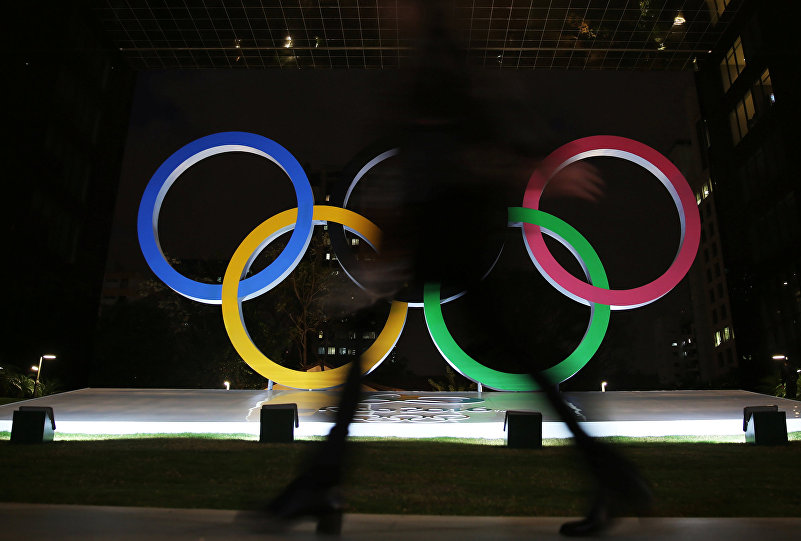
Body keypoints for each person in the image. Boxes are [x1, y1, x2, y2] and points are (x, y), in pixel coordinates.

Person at [266, 2, 651, 536]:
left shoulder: (442, 64)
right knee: (493, 348)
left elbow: (469, 147)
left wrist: (533, 171)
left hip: (451, 222)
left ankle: (320, 484)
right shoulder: (429, 63)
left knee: (483, 346)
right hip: (441, 221)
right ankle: (611, 475)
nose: (386, 11)